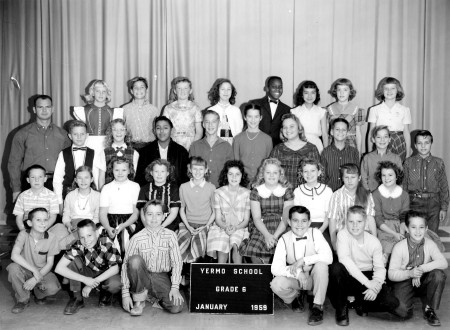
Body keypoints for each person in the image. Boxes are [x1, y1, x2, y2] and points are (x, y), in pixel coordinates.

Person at [328, 206, 399, 326]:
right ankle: (341, 309)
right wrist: (368, 283)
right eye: (351, 222)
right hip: (348, 277)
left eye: (359, 222)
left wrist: (375, 286)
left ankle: (360, 303)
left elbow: (380, 268)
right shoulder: (342, 235)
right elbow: (345, 260)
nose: (355, 225)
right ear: (346, 222)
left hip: (367, 275)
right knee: (336, 268)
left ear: (365, 223)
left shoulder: (373, 241)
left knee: (392, 303)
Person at [271, 206, 332, 325]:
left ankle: (317, 306)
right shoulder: (284, 239)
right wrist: (298, 274)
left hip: (314, 280)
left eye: (304, 221)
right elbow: (275, 268)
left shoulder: (316, 233)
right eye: (295, 220)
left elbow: (328, 257)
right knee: (276, 284)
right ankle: (297, 294)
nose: (299, 224)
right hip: (296, 279)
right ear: (289, 222)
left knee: (321, 266)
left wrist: (304, 260)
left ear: (309, 222)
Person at [121, 200, 184, 316]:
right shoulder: (136, 238)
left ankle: (152, 297)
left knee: (177, 307)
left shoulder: (171, 235)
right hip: (141, 276)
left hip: (160, 276)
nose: (154, 218)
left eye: (158, 214)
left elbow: (177, 262)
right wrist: (125, 293)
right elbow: (126, 265)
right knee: (134, 260)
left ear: (164, 216)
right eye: (149, 214)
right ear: (144, 216)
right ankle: (139, 301)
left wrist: (175, 287)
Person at [389, 210, 448, 326]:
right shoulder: (399, 247)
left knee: (438, 275)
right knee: (402, 312)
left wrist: (420, 268)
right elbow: (391, 274)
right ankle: (407, 299)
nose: (418, 231)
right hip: (404, 279)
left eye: (421, 227)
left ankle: (429, 309)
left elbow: (443, 263)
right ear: (406, 228)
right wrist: (410, 273)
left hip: (422, 279)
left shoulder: (430, 244)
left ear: (426, 229)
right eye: (413, 227)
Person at [8, 94, 71, 200]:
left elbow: (70, 163)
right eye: (40, 107)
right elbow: (14, 164)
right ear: (34, 109)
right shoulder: (22, 134)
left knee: (55, 217)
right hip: (30, 184)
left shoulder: (63, 135)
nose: (44, 110)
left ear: (52, 109)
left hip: (56, 185)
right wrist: (16, 189)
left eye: (47, 107)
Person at [55, 219, 122, 315]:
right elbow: (59, 268)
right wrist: (85, 280)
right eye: (82, 237)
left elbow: (115, 268)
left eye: (89, 235)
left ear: (96, 233)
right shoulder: (77, 244)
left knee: (115, 284)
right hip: (89, 272)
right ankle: (77, 298)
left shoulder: (106, 242)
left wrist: (91, 284)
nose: (86, 241)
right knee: (71, 261)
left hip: (105, 273)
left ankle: (106, 293)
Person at [239, 158, 294, 264]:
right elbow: (256, 218)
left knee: (285, 250)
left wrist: (275, 236)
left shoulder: (287, 191)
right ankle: (261, 273)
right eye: (268, 172)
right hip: (262, 227)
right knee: (254, 250)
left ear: (280, 174)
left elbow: (286, 218)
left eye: (275, 172)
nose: (271, 175)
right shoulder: (256, 191)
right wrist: (267, 236)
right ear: (262, 174)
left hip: (282, 227)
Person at [7, 208, 61, 313]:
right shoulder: (23, 234)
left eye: (45, 220)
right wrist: (34, 271)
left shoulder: (52, 237)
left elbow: (50, 263)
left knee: (53, 288)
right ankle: (23, 299)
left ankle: (38, 294)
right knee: (13, 268)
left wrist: (36, 278)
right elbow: (14, 256)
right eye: (38, 220)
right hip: (24, 269)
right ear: (30, 222)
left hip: (43, 272)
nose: (43, 223)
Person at [403, 130, 449, 234]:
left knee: (432, 235)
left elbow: (444, 186)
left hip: (434, 203)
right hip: (414, 203)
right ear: (415, 145)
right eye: (419, 143)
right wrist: (404, 207)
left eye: (426, 143)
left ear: (431, 143)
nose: (423, 146)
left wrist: (444, 208)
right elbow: (404, 186)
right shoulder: (408, 163)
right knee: (415, 234)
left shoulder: (439, 163)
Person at [207, 160, 250, 263]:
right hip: (222, 226)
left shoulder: (247, 193)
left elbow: (246, 219)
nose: (234, 178)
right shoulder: (219, 192)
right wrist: (225, 227)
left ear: (242, 176)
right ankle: (221, 272)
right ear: (226, 175)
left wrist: (236, 227)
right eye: (230, 174)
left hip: (240, 227)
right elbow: (217, 218)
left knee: (236, 243)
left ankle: (237, 273)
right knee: (222, 244)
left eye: (237, 174)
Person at [327, 163, 377, 250]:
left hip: (363, 234)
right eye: (346, 177)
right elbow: (332, 220)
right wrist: (334, 242)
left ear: (359, 178)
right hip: (344, 235)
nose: (350, 181)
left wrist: (375, 240)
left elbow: (370, 218)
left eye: (353, 177)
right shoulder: (336, 195)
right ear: (342, 178)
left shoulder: (366, 195)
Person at [53, 120, 100, 210]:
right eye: (75, 134)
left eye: (82, 134)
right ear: (70, 136)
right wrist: (59, 202)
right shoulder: (63, 153)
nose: (79, 137)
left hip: (89, 196)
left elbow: (97, 177)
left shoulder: (93, 153)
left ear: (87, 135)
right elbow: (57, 179)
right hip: (68, 195)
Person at [177, 157, 216, 264]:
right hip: (188, 224)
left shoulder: (211, 187)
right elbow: (182, 209)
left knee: (199, 246)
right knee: (180, 245)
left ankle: (196, 272)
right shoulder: (183, 187)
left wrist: (206, 226)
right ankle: (185, 273)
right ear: (190, 169)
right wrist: (188, 227)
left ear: (206, 170)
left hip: (205, 225)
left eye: (201, 169)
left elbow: (214, 211)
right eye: (194, 169)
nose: (198, 172)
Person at [99, 157, 140, 256]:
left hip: (129, 221)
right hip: (110, 221)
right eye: (117, 170)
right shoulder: (106, 188)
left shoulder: (135, 186)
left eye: (124, 170)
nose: (120, 173)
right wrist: (108, 228)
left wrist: (124, 225)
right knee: (102, 237)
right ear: (112, 170)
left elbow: (136, 213)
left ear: (129, 171)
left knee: (126, 237)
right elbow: (102, 213)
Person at [134, 116, 189, 187]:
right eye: (158, 128)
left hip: (175, 193)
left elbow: (185, 179)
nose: (162, 131)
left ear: (172, 130)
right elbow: (140, 179)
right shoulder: (145, 151)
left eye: (165, 128)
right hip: (151, 193)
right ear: (154, 131)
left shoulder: (181, 152)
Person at [269, 113, 320, 188]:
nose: (288, 130)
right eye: (285, 127)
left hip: (306, 193)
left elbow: (319, 175)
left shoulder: (311, 149)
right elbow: (270, 173)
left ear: (299, 129)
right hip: (283, 192)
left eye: (291, 126)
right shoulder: (277, 149)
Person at [372, 161, 409, 261]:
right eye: (383, 175)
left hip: (402, 226)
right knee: (387, 248)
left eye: (390, 175)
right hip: (384, 228)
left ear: (397, 176)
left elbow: (404, 215)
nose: (386, 178)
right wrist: (394, 234)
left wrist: (401, 233)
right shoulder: (376, 194)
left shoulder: (404, 194)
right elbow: (378, 219)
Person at [368, 77, 412, 161]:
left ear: (398, 90)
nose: (389, 91)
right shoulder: (374, 110)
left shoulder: (405, 110)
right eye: (386, 89)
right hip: (381, 141)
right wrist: (369, 152)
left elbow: (406, 132)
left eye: (392, 88)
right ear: (382, 91)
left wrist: (408, 153)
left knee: (397, 170)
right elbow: (371, 132)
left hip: (399, 143)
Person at [74, 80, 123, 154]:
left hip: (107, 144)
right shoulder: (83, 111)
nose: (101, 94)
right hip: (88, 144)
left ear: (107, 94)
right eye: (98, 91)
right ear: (93, 93)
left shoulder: (114, 112)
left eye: (104, 91)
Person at [189, 110, 233, 187]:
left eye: (214, 122)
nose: (210, 125)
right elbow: (191, 170)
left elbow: (230, 171)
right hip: (200, 189)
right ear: (203, 124)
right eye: (207, 122)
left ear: (219, 124)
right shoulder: (195, 146)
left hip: (220, 189)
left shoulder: (226, 146)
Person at [293, 158, 333, 245]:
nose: (309, 174)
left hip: (323, 227)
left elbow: (328, 216)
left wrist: (320, 231)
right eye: (305, 171)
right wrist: (304, 230)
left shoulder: (327, 191)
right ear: (302, 173)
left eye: (312, 171)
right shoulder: (298, 191)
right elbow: (297, 215)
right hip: (303, 227)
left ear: (319, 172)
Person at [60, 166, 100, 250]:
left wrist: (87, 227)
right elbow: (66, 214)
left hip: (90, 224)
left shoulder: (97, 196)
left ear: (92, 179)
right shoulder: (70, 195)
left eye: (86, 178)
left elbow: (97, 217)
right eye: (80, 178)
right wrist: (68, 225)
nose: (83, 181)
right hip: (74, 224)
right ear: (75, 180)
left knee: (70, 241)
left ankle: (64, 248)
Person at [136, 159, 181, 231]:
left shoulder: (174, 189)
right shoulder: (144, 189)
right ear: (151, 172)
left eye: (162, 171)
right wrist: (148, 228)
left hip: (168, 225)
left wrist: (161, 228)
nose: (159, 174)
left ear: (167, 173)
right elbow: (142, 212)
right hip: (148, 224)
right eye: (156, 171)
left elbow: (173, 212)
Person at [232, 103, 272, 183]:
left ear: (261, 118)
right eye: (250, 116)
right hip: (243, 181)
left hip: (262, 182)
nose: (253, 120)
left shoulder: (267, 139)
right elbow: (235, 164)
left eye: (256, 117)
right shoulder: (237, 139)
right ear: (245, 117)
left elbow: (269, 163)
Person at [13, 165, 59, 231]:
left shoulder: (52, 196)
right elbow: (19, 217)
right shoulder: (22, 196)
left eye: (40, 177)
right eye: (33, 177)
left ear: (45, 179)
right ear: (28, 180)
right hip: (28, 227)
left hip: (46, 227)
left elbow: (53, 216)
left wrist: (43, 229)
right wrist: (23, 230)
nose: (36, 180)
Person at [162, 76, 203, 151]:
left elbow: (199, 131)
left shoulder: (195, 108)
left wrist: (192, 145)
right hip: (173, 146)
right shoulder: (168, 108)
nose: (182, 91)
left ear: (190, 91)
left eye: (185, 88)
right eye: (179, 88)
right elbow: (164, 129)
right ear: (175, 91)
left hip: (191, 145)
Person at [248, 76, 291, 146]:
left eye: (280, 87)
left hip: (277, 148)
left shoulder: (287, 109)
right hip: (256, 144)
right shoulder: (255, 104)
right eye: (274, 87)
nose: (277, 89)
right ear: (267, 88)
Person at [98, 118, 139, 189]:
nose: (118, 132)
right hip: (109, 192)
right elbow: (101, 178)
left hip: (127, 191)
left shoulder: (134, 153)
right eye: (115, 130)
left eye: (122, 129)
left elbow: (133, 176)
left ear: (126, 132)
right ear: (111, 132)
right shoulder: (104, 153)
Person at [326, 78, 365, 154]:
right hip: (333, 144)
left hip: (351, 145)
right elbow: (327, 132)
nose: (341, 93)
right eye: (339, 90)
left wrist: (359, 152)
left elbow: (358, 133)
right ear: (335, 91)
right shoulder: (329, 109)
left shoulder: (356, 110)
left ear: (350, 92)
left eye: (345, 90)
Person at [320, 118, 359, 191]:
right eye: (337, 129)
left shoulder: (354, 152)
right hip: (330, 192)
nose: (340, 132)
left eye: (343, 130)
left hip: (348, 192)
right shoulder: (325, 152)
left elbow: (357, 175)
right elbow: (322, 176)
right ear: (331, 132)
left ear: (347, 133)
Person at [361, 125, 403, 192]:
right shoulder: (367, 158)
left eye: (385, 137)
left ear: (389, 139)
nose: (382, 140)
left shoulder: (396, 158)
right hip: (372, 195)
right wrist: (368, 192)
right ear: (373, 139)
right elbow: (363, 178)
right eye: (378, 137)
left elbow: (400, 179)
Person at [122, 76, 159, 151]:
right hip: (130, 147)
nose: (139, 90)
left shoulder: (154, 110)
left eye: (142, 87)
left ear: (146, 90)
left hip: (149, 146)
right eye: (136, 87)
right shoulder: (124, 109)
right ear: (131, 91)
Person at [291, 80, 328, 153]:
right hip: (299, 144)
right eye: (306, 93)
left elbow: (324, 134)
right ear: (302, 94)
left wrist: (326, 152)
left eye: (313, 93)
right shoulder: (295, 112)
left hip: (317, 145)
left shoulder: (321, 111)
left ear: (316, 94)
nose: (309, 96)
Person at [207, 78, 243, 145]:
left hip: (233, 146)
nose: (226, 92)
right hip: (215, 146)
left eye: (228, 89)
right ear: (217, 91)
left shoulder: (236, 110)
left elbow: (239, 132)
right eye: (223, 89)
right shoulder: (211, 110)